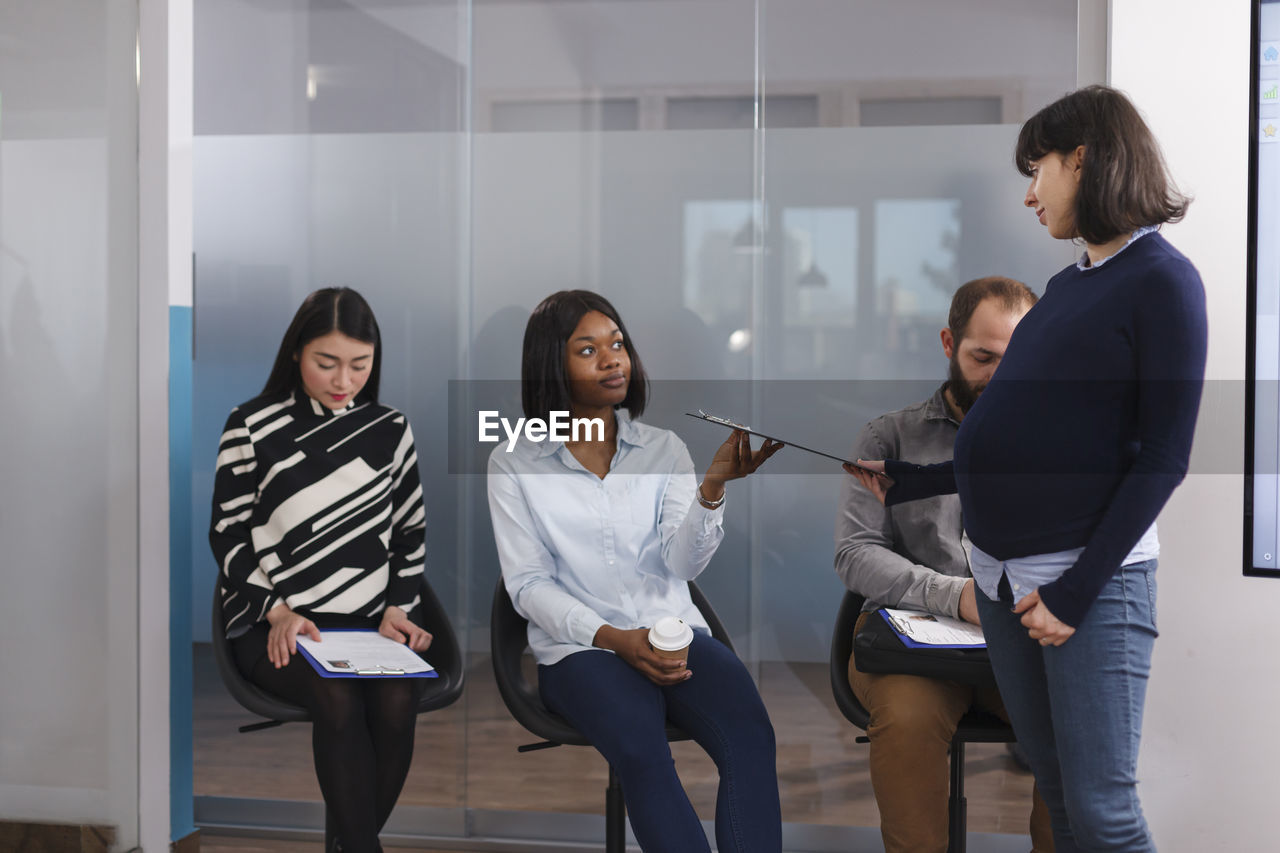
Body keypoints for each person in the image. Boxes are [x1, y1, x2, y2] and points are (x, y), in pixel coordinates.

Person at [849, 85, 1207, 852]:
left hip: (1084, 583)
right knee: (1060, 796)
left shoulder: (1162, 282)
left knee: (1104, 811)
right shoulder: (1066, 286)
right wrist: (912, 483)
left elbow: (1163, 459)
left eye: (1036, 168)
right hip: (1004, 578)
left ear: (1082, 160)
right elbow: (1034, 443)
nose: (1028, 194)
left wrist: (1075, 594)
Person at [487, 290, 784, 853]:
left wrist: (712, 489)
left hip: (673, 633)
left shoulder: (664, 449)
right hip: (581, 651)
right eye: (588, 349)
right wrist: (614, 639)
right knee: (643, 751)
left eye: (617, 344)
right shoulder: (512, 462)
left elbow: (682, 564)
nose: (612, 359)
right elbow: (527, 586)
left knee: (750, 735)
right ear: (552, 365)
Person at [834, 276, 1052, 853]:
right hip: (913, 648)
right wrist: (955, 597)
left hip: (1021, 637)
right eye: (984, 357)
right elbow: (854, 554)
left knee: (1074, 721)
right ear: (948, 343)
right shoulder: (890, 436)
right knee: (906, 722)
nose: (1001, 376)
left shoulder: (1055, 440)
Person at [209, 288, 431, 853]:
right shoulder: (251, 425)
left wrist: (397, 608)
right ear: (295, 354)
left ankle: (351, 846)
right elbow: (227, 534)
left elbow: (408, 532)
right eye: (326, 363)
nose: (344, 380)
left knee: (397, 699)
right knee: (336, 698)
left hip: (365, 624)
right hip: (275, 624)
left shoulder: (390, 429)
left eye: (360, 364)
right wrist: (275, 609)